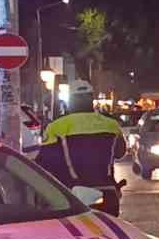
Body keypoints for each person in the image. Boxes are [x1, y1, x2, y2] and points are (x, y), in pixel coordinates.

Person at [36, 80, 127, 215]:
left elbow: (45, 163)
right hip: (108, 192)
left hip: (73, 195)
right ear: (91, 99)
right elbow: (120, 153)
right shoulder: (112, 125)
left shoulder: (56, 127)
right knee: (111, 233)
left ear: (71, 101)